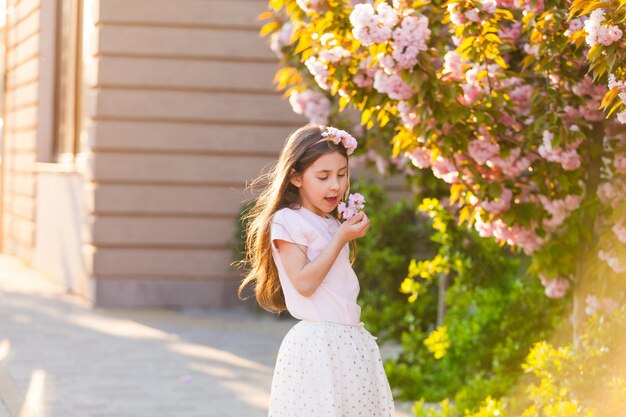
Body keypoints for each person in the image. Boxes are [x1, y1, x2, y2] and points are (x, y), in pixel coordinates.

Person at [237, 123, 395, 416]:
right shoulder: (288, 221)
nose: (335, 185)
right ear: (296, 177)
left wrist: (340, 233)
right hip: (319, 345)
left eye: (342, 174)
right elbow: (303, 283)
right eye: (323, 176)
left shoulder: (333, 223)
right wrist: (341, 238)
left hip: (350, 341)